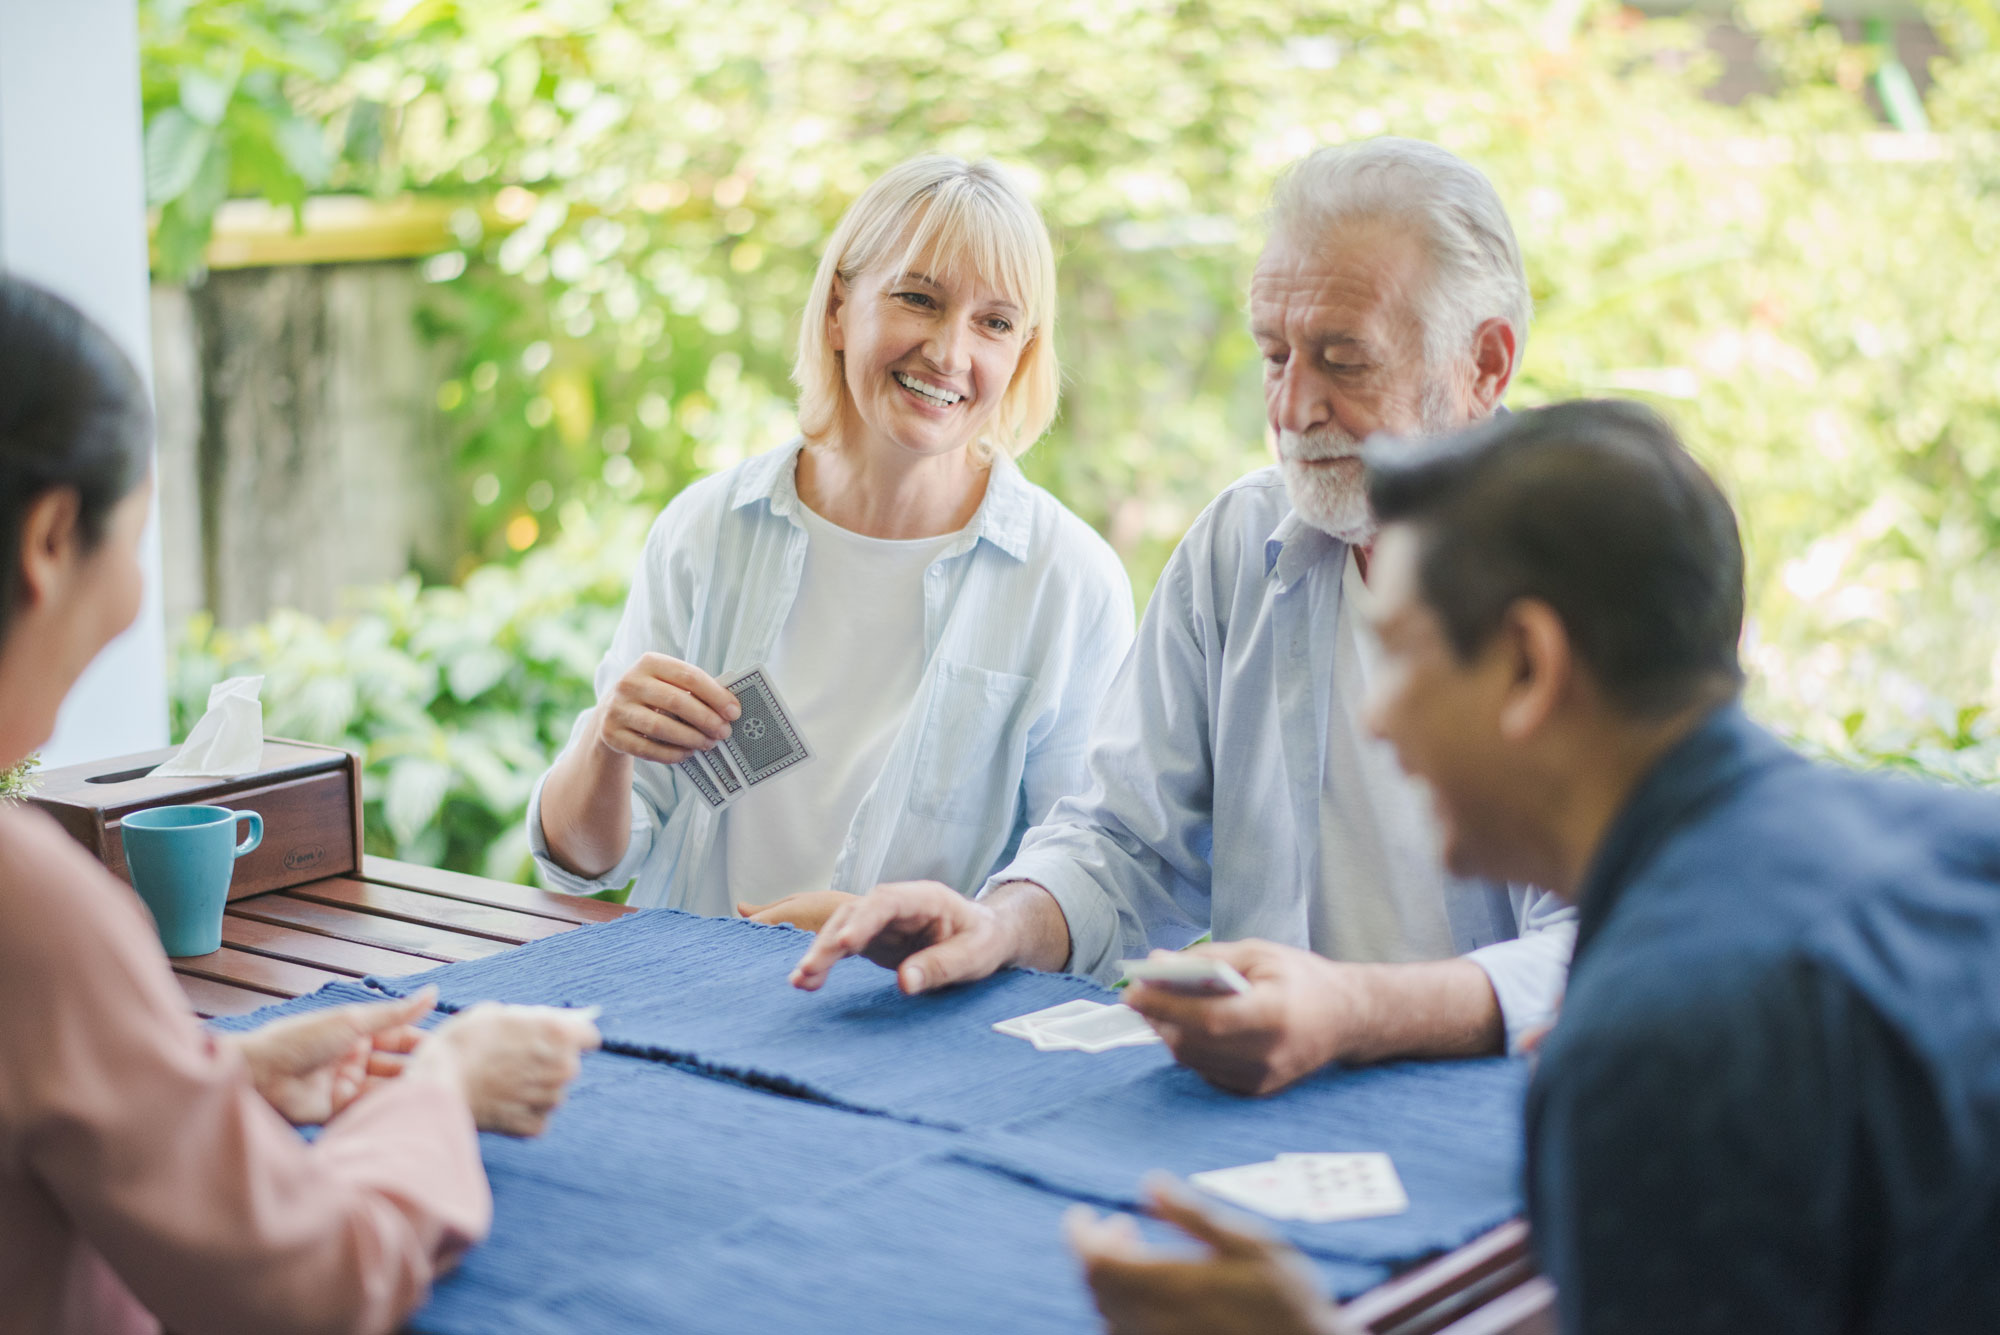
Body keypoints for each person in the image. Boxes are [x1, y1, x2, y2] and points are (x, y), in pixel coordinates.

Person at [1069, 400, 2000, 1333]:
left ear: (1528, 666)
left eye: (1398, 655)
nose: (1379, 719)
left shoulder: (1663, 1041)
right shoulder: (1965, 845)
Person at [793, 138, 1573, 1086]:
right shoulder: (1242, 544)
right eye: (1274, 354)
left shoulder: (1589, 570)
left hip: (1492, 1116)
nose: (1292, 407)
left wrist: (1353, 1011)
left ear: (1485, 363)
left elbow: (1606, 945)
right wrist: (1000, 921)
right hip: (1255, 1098)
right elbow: (1124, 842)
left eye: (1342, 359)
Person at [0, 274, 601, 1335]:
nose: (133, 596)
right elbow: (307, 1288)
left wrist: (210, 1076)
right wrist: (440, 1097)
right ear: (51, 540)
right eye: (135, 539)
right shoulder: (28, 901)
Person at [531, 155, 1133, 927]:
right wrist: (606, 744)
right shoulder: (709, 529)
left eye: (995, 322)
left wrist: (891, 939)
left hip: (911, 1027)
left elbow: (1088, 880)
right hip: (683, 1005)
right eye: (920, 298)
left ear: (1022, 352)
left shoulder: (1069, 580)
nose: (951, 354)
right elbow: (587, 863)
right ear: (839, 308)